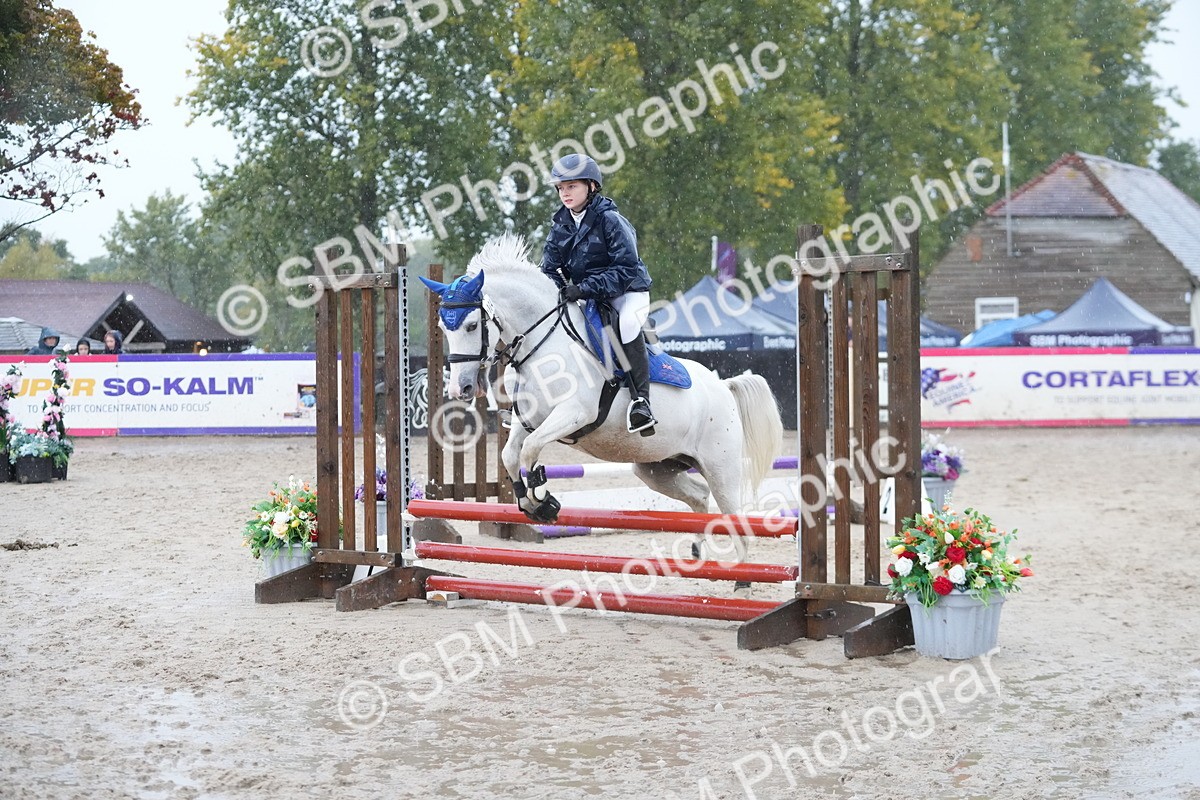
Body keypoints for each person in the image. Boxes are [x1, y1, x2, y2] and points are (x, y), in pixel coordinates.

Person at [541, 153, 657, 435]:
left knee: (627, 324)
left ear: (591, 186)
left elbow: (625, 268)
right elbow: (549, 268)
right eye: (561, 188)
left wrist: (583, 288)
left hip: (627, 291)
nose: (565, 193)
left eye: (572, 186)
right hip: (588, 294)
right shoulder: (560, 226)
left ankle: (641, 402)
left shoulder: (611, 220)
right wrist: (557, 288)